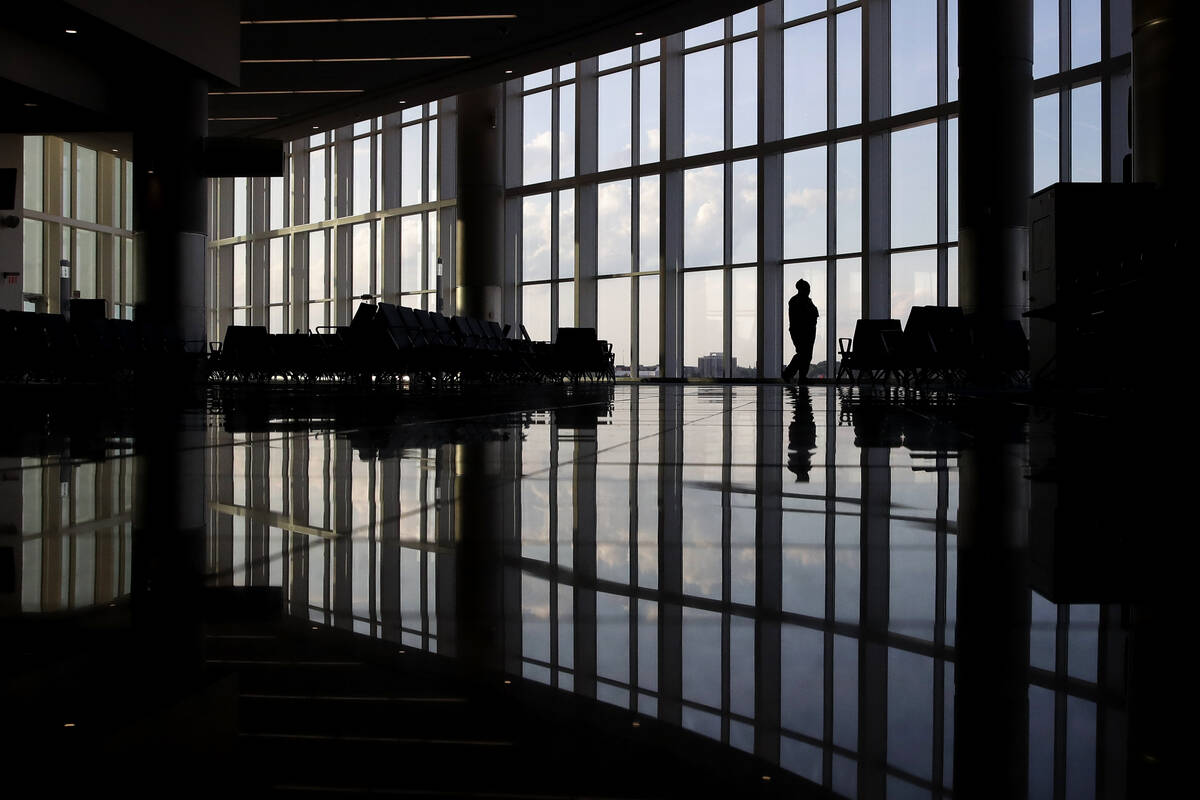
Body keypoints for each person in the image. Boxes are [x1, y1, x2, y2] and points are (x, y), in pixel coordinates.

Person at [782, 279, 819, 384]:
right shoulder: (798, 301)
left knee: (805, 354)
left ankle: (800, 376)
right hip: (801, 331)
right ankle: (790, 374)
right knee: (803, 354)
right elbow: (804, 316)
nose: (809, 290)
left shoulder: (803, 300)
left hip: (807, 330)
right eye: (807, 288)